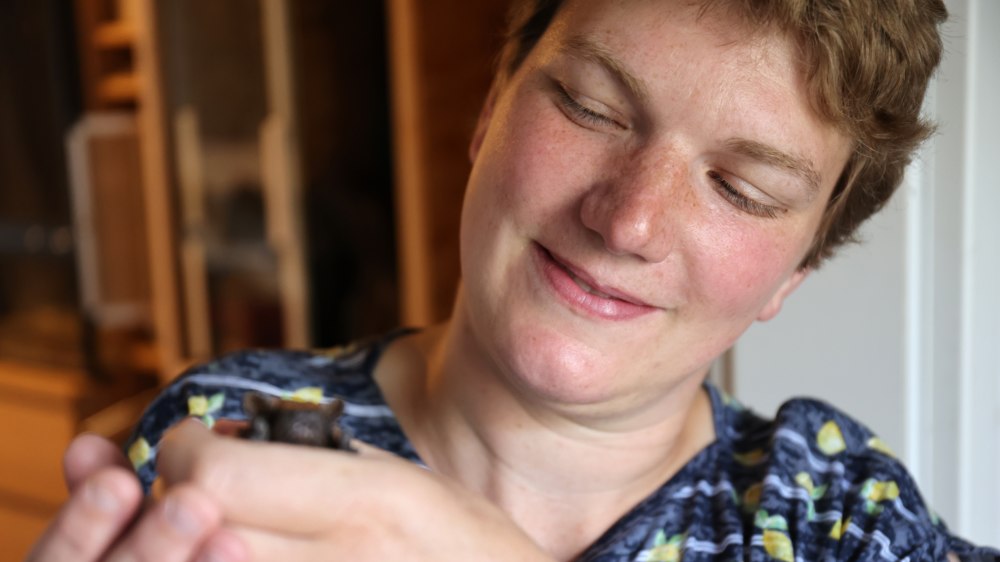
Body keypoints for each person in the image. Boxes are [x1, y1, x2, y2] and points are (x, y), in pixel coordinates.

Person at [28, 0, 1000, 560]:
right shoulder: (235, 434)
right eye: (589, 106)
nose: (627, 219)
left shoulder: (834, 514)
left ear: (799, 266)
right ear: (491, 110)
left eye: (740, 190)